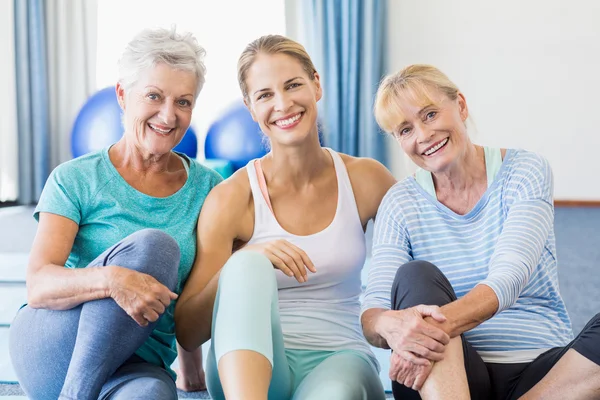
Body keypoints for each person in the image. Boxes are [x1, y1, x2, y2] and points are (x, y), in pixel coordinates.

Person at [174, 34, 396, 400]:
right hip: (246, 372)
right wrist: (246, 260)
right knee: (246, 266)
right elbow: (188, 330)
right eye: (265, 95)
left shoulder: (366, 179)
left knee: (337, 394)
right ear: (250, 107)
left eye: (293, 85)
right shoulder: (232, 197)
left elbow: (422, 248)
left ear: (316, 84)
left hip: (340, 357)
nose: (283, 104)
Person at [361, 64, 600, 400]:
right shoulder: (400, 202)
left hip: (543, 375)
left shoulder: (525, 170)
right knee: (415, 277)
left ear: (460, 105)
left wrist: (422, 330)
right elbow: (373, 312)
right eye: (404, 130)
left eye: (429, 114)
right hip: (442, 377)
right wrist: (392, 328)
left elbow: (507, 280)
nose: (423, 136)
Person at [9, 27, 222, 400]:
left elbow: (194, 290)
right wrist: (112, 280)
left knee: (154, 396)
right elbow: (39, 283)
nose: (168, 116)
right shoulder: (75, 178)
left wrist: (192, 374)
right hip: (57, 346)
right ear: (123, 95)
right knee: (156, 248)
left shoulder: (208, 188)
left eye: (183, 102)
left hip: (137, 366)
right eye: (153, 96)